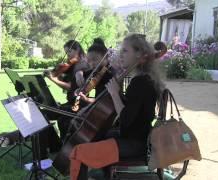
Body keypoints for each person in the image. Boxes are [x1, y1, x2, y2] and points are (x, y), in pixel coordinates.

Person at [69, 34, 165, 180]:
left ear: (139, 54)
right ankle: (106, 175)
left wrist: (114, 93)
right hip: (137, 138)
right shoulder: (143, 79)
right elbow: (130, 113)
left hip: (135, 143)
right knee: (98, 137)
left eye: (125, 51)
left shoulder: (140, 83)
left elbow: (126, 120)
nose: (121, 55)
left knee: (78, 151)